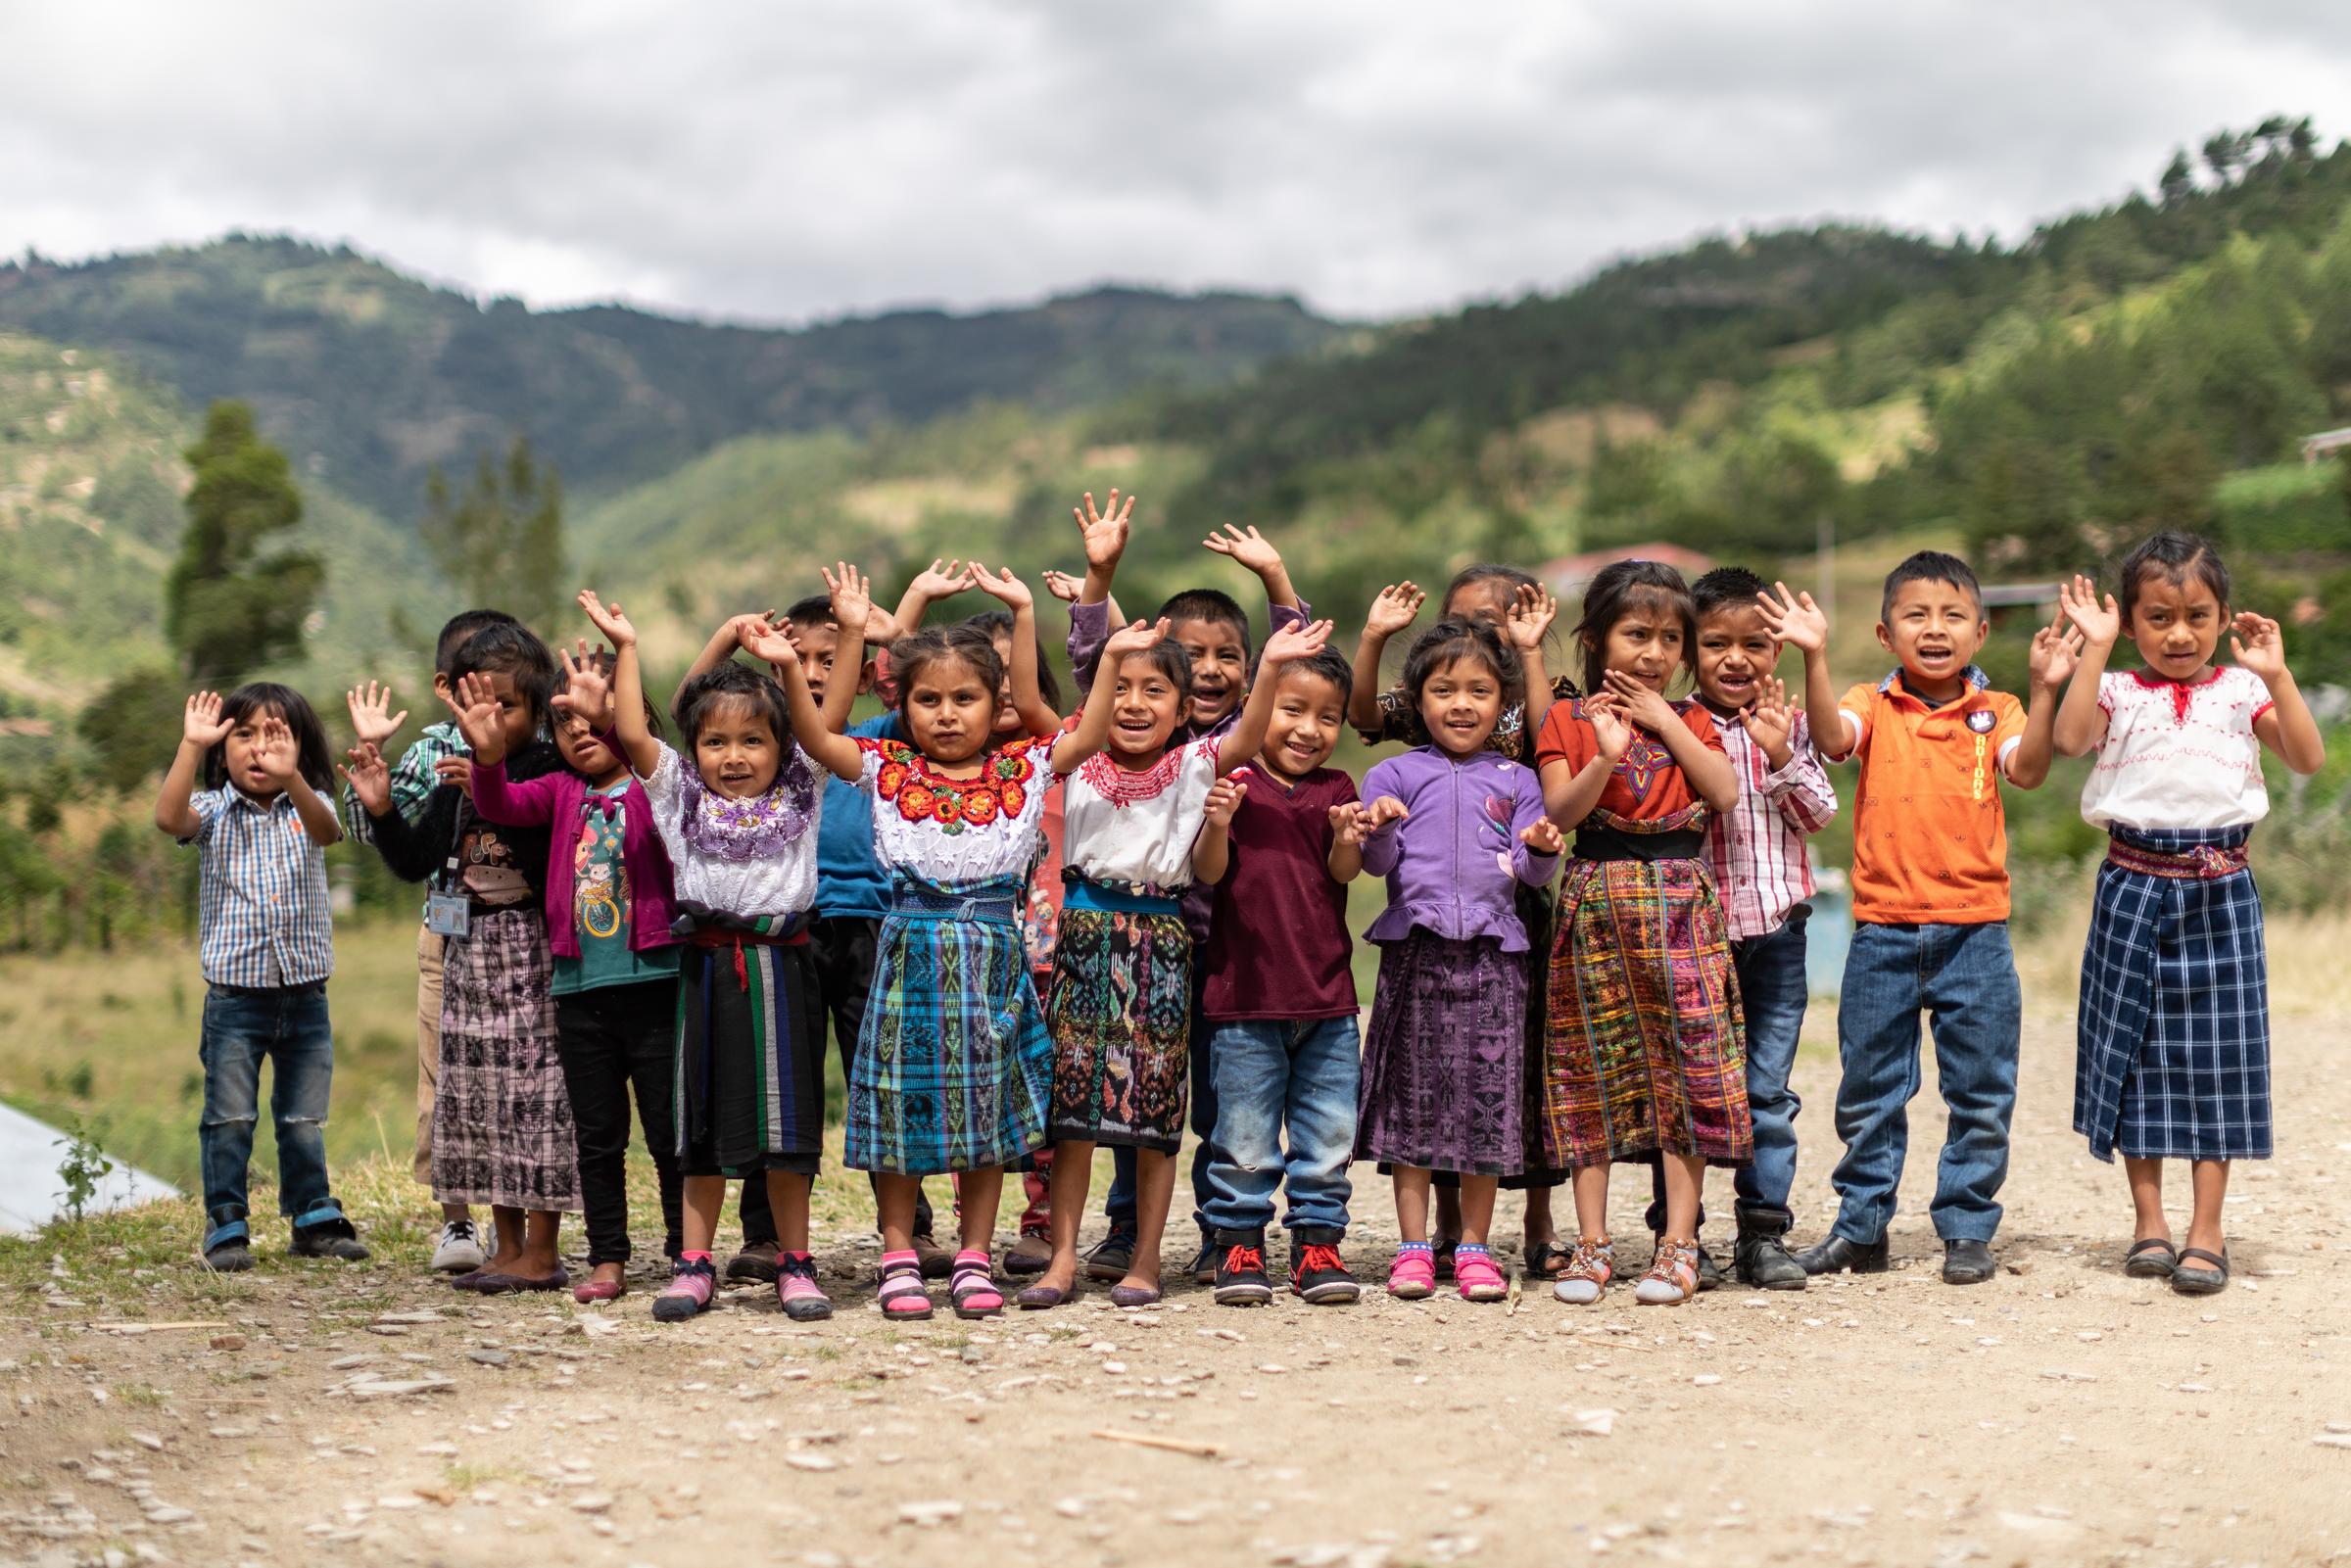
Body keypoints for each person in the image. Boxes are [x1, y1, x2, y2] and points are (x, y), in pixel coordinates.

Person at [781, 562, 1152, 1320]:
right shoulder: (886, 768)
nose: (947, 714)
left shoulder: (1023, 766)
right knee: (899, 1107)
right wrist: (851, 630)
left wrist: (1022, 614)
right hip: (908, 954)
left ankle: (975, 1255)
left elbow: (1084, 727)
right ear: (904, 703)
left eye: (965, 697)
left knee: (987, 1112)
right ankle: (897, 1253)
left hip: (991, 962)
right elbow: (818, 734)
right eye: (928, 699)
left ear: (995, 702)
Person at [1759, 551, 2071, 1284]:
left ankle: (1966, 1227)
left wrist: (2049, 689)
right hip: (1883, 931)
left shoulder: (2000, 712)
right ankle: (1862, 1227)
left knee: (1982, 1089)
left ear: (1981, 631)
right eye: (1917, 615)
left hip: (1977, 932)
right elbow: (1833, 740)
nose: (1935, 629)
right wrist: (1815, 654)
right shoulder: (1873, 701)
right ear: (1886, 630)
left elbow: (2027, 770)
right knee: (1870, 1088)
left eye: (1953, 615)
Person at [1017, 598, 1328, 1309]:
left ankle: (1147, 1260)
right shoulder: (1080, 755)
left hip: (1160, 940)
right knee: (1072, 1117)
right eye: (1119, 688)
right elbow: (1038, 702)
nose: (1133, 703)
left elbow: (1250, 730)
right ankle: (1062, 1259)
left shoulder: (1196, 762)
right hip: (1085, 936)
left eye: (1154, 690)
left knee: (1154, 1115)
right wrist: (1027, 610)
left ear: (1185, 706)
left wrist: (1276, 662)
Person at [2051, 534, 2326, 1296]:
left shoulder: (2244, 690)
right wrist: (2092, 653)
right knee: (2134, 1051)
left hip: (2221, 888)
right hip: (2132, 883)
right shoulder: (2112, 689)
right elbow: (2070, 740)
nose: (2180, 634)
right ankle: (2150, 1222)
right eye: (2159, 617)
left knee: (2219, 1057)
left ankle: (2208, 1229)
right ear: (2131, 622)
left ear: (2224, 616)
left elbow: (2306, 757)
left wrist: (2279, 673)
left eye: (2197, 616)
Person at [1063, 492, 1314, 1285]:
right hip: (1130, 935)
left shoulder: (1238, 738)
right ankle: (1123, 1227)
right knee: (1118, 1087)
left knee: (1204, 1097)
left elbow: (1294, 660)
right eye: (1190, 655)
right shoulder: (1129, 725)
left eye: (1226, 656)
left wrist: (1275, 579)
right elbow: (1103, 663)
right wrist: (1102, 577)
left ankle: (1218, 1229)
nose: (1209, 669)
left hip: (1227, 943)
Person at [579, 589, 844, 1323]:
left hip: (784, 968)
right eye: (718, 742)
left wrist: (790, 663)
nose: (734, 757)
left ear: (781, 746)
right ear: (695, 750)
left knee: (787, 1129)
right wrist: (631, 647)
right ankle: (694, 1263)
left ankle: (796, 1261)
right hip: (707, 970)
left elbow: (827, 721)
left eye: (754, 740)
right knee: (700, 1124)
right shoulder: (679, 795)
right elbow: (634, 729)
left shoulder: (804, 784)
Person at [676, 586, 951, 1284]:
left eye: (832, 657)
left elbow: (932, 685)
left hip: (869, 922)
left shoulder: (883, 733)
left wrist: (897, 619)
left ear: (864, 672)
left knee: (879, 1073)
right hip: (785, 938)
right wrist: (730, 638)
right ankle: (764, 1235)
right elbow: (686, 707)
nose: (818, 669)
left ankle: (910, 1229)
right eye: (800, 657)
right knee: (771, 1081)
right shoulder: (755, 753)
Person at [1351, 567, 1575, 1280]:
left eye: (1479, 688)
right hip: (1417, 940)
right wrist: (1375, 635)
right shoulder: (1396, 767)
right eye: (1444, 689)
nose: (1461, 701)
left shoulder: (1522, 758)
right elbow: (1375, 852)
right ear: (1420, 693)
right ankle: (1425, 1242)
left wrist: (1540, 849)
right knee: (1417, 1089)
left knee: (1498, 1085)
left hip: (1500, 935)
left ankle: (1490, 1239)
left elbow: (1535, 843)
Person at [1534, 561, 1744, 1307]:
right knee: (1587, 1066)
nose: (1653, 652)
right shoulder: (1565, 719)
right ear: (1595, 639)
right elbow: (1559, 813)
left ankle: (1679, 1244)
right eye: (1636, 634)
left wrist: (1661, 722)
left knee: (1688, 1068)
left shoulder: (1692, 717)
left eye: (1668, 638)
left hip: (1682, 900)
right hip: (1596, 899)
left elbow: (1721, 792)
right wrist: (1609, 754)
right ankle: (1591, 1246)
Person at [350, 623, 580, 1292]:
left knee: (535, 1101)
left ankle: (541, 1248)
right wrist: (385, 809)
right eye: (476, 705)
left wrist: (491, 782)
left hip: (530, 957)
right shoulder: (457, 778)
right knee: (482, 1102)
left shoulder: (546, 771)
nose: (489, 718)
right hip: (467, 957)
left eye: (506, 705)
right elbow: (417, 860)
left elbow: (546, 861)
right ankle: (504, 1246)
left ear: (537, 712)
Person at [470, 643, 684, 1304]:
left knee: (666, 1132)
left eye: (600, 717)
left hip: (653, 982)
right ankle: (609, 1258)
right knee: (597, 1137)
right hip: (579, 992)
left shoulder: (658, 788)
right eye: (567, 724)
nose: (582, 733)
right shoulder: (562, 791)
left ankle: (687, 1251)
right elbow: (501, 804)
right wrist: (486, 758)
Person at [156, 684, 363, 1271]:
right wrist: (191, 747)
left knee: (302, 1118)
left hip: (305, 999)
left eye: (275, 735)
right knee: (228, 1118)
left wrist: (294, 777)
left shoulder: (310, 802)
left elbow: (328, 831)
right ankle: (227, 1225)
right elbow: (169, 816)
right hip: (234, 1003)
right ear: (224, 750)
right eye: (243, 734)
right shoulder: (217, 809)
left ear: (299, 748)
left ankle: (313, 1216)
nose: (258, 748)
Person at [341, 607, 519, 1275]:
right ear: (447, 686)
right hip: (447, 936)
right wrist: (378, 786)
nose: (490, 701)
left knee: (512, 1079)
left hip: (517, 937)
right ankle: (456, 1221)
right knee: (441, 1079)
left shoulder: (532, 744)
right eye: (477, 681)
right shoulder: (430, 749)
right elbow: (386, 839)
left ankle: (518, 1214)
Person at [1192, 644, 1367, 1306]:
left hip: (1326, 998)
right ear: (1261, 708)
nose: (1308, 729)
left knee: (1326, 1131)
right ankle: (1239, 1243)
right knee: (1243, 1133)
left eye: (1327, 717)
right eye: (1292, 709)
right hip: (1242, 998)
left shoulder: (1337, 790)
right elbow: (1209, 874)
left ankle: (1317, 1243)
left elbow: (1344, 873)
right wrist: (1218, 824)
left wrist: (1347, 837)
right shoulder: (1233, 780)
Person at [1688, 567, 1839, 1290]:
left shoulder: (1794, 720)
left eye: (1754, 642)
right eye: (1715, 641)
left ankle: (1762, 1233)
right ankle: (1680, 1236)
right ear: (1689, 647)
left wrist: (1779, 753)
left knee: (1767, 1093)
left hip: (1777, 934)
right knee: (1685, 1086)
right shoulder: (1675, 724)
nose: (1735, 658)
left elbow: (1819, 814)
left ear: (1775, 651)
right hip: (1692, 934)